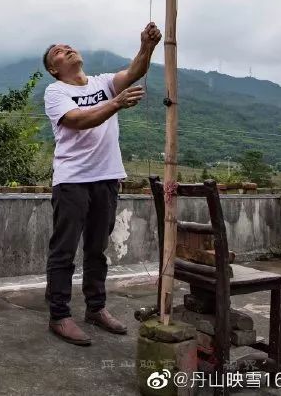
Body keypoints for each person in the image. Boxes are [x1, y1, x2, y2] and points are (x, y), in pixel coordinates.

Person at [43, 22, 162, 346]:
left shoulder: (103, 82)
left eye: (69, 45)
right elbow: (80, 121)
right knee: (64, 249)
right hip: (72, 181)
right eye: (58, 51)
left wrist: (146, 46)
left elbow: (134, 71)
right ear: (54, 68)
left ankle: (95, 308)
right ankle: (59, 315)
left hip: (106, 178)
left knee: (97, 249)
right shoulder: (56, 92)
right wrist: (116, 103)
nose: (67, 49)